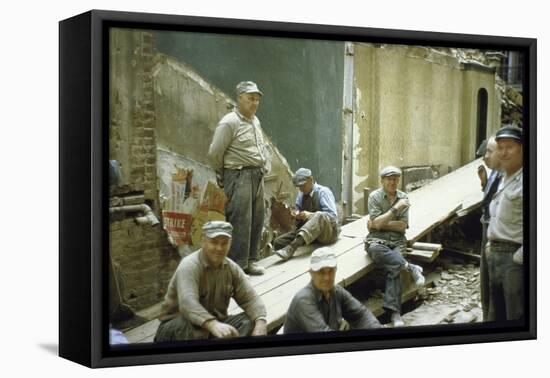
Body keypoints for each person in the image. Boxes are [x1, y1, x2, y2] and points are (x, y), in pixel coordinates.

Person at [154, 221, 267, 342]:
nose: (219, 248)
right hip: (177, 327)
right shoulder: (189, 265)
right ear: (203, 241)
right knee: (188, 324)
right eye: (214, 242)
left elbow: (250, 298)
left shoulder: (231, 267)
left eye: (224, 243)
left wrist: (260, 322)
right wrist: (212, 324)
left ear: (230, 244)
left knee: (249, 321)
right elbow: (187, 303)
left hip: (212, 326)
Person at [207, 81, 269, 275]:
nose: (255, 103)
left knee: (256, 219)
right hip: (239, 174)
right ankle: (237, 268)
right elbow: (215, 153)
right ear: (240, 98)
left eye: (257, 99)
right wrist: (223, 174)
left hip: (257, 175)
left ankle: (250, 261)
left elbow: (261, 147)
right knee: (240, 221)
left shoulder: (255, 121)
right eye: (251, 98)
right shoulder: (229, 122)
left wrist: (264, 166)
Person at [364, 166, 425, 327]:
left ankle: (395, 313)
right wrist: (394, 209)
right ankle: (411, 267)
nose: (393, 182)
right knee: (376, 251)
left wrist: (379, 223)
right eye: (389, 179)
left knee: (394, 266)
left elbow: (402, 226)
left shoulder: (403, 196)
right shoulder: (374, 197)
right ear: (382, 181)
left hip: (398, 240)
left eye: (395, 179)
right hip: (377, 240)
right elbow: (376, 226)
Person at [283, 247, 382, 333]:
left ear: (335, 270)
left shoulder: (336, 291)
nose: (327, 277)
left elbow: (361, 315)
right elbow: (324, 337)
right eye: (321, 272)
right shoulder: (304, 300)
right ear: (311, 273)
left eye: (330, 271)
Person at [486, 125, 524, 321]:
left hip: (515, 258)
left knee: (515, 317)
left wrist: (521, 257)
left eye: (509, 147)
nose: (504, 152)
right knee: (496, 314)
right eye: (500, 147)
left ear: (523, 149)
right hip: (495, 255)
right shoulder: (502, 178)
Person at [274, 168, 340, 261]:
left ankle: (292, 247)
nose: (301, 189)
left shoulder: (323, 192)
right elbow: (297, 214)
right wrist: (296, 216)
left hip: (328, 233)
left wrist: (310, 215)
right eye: (299, 187)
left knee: (319, 215)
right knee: (279, 242)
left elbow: (333, 217)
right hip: (312, 234)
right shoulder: (301, 195)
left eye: (303, 186)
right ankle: (294, 246)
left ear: (311, 180)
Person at [477, 135, 502, 321]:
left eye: (488, 152)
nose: (485, 156)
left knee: (492, 278)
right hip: (487, 225)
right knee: (484, 276)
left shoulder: (503, 174)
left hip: (495, 231)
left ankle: (491, 318)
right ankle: (486, 315)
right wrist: (484, 183)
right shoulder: (493, 172)